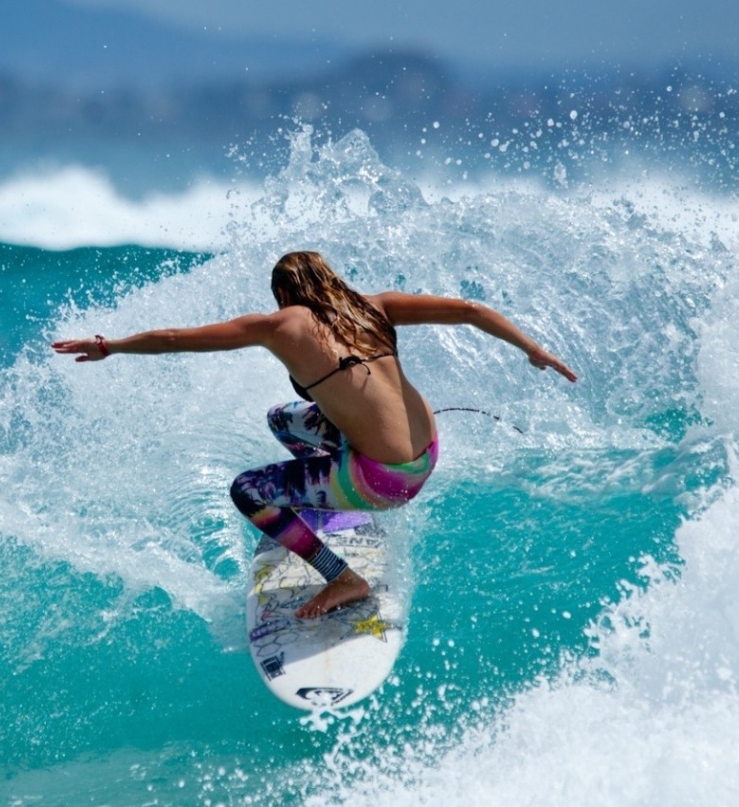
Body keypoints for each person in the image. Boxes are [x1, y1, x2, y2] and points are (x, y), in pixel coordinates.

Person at [51, 251, 577, 619]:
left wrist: (110, 345)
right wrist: (532, 348)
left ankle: (342, 576)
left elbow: (174, 339)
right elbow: (470, 310)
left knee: (248, 492)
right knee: (284, 419)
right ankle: (330, 500)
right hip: (426, 456)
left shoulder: (282, 325)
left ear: (284, 293)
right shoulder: (375, 306)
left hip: (384, 481)